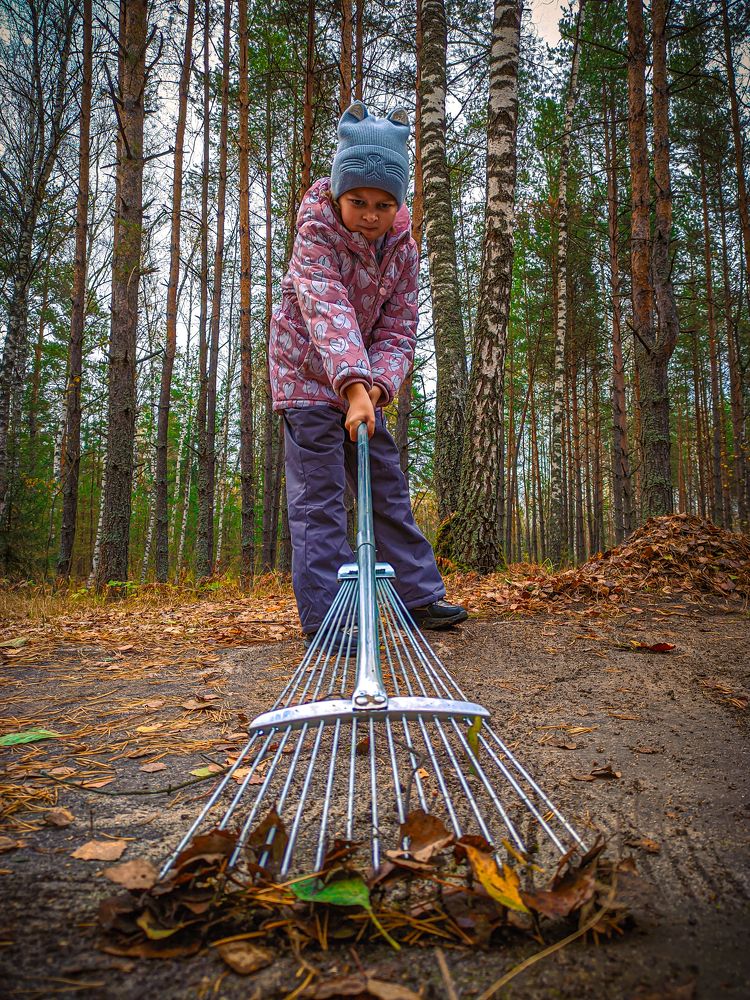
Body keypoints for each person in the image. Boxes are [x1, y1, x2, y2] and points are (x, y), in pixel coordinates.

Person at [269, 100, 467, 646]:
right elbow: (326, 307)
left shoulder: (403, 250)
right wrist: (353, 386)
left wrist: (375, 388)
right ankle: (329, 620)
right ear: (338, 192)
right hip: (307, 380)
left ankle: (419, 597)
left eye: (384, 203)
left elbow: (399, 330)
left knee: (386, 485)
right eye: (358, 200)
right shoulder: (315, 232)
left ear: (398, 203)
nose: (371, 214)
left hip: (364, 392)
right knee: (321, 501)